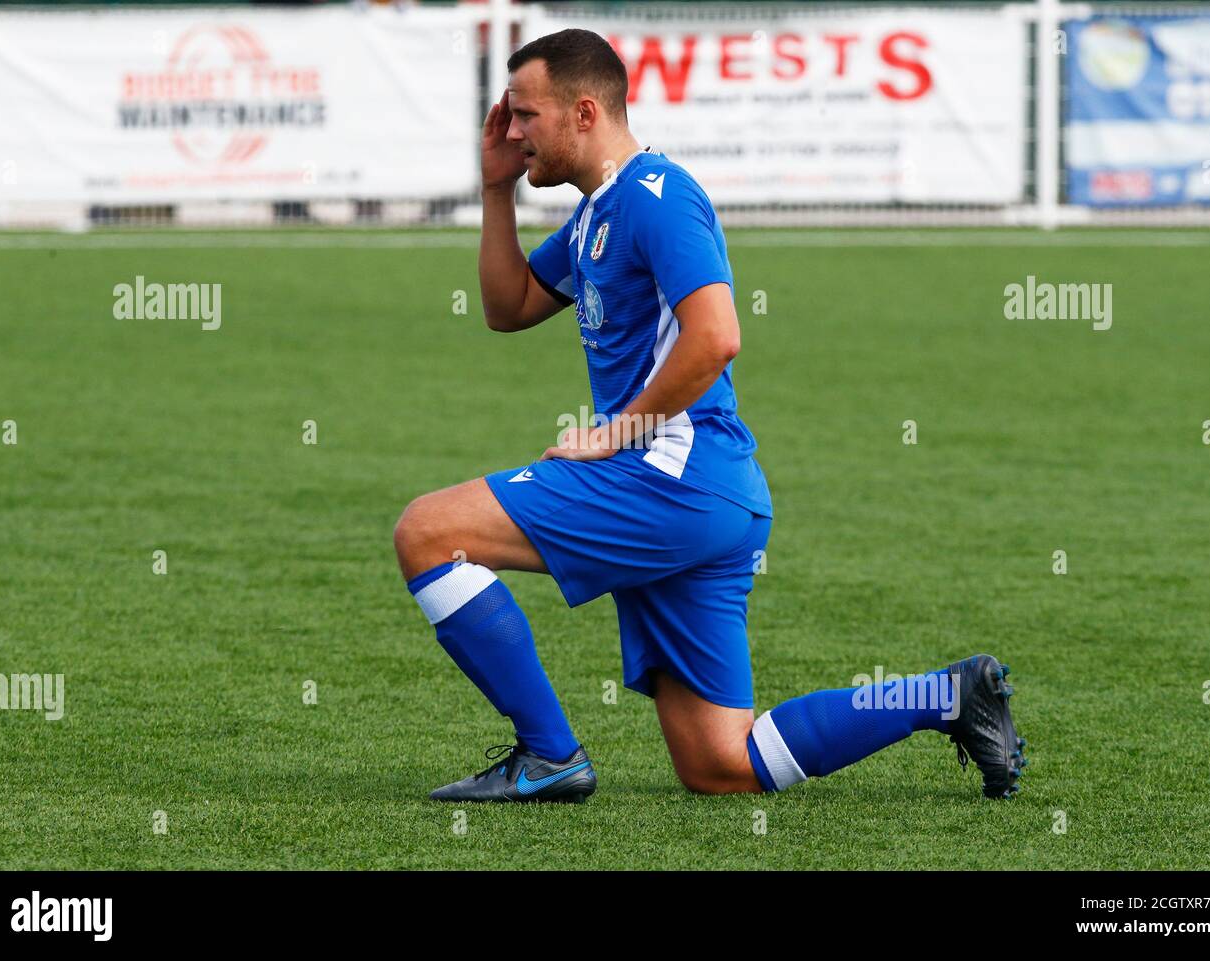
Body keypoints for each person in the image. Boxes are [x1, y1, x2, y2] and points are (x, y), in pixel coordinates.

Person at [394, 28, 1025, 803]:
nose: (511, 130)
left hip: (672, 478)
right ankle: (943, 695)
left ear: (584, 112)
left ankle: (549, 754)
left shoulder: (658, 196)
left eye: (524, 114)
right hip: (705, 494)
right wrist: (496, 192)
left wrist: (617, 430)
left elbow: (718, 334)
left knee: (428, 532)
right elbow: (509, 306)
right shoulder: (597, 212)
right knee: (721, 764)